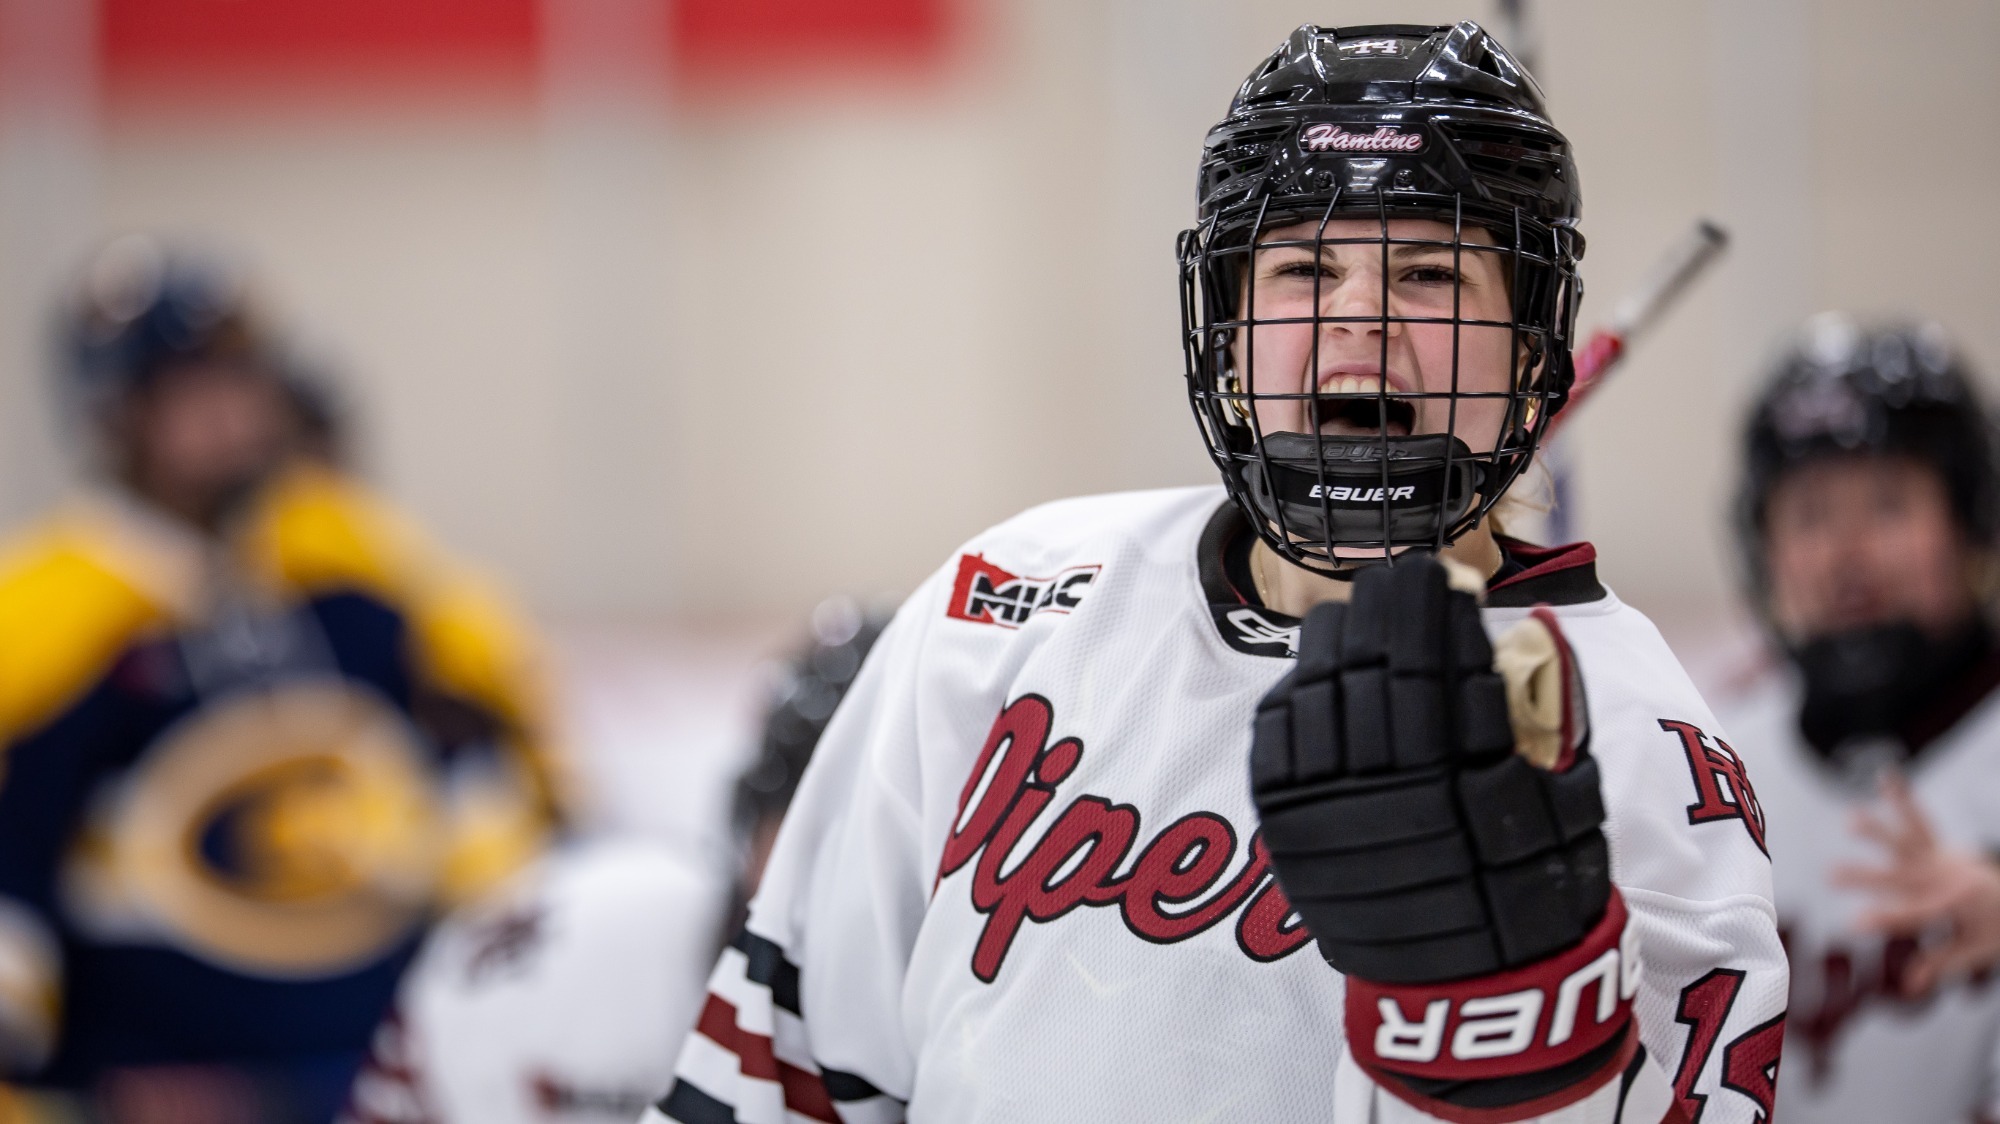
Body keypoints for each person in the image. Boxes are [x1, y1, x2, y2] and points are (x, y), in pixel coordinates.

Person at [649, 22, 1785, 1124]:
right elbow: (780, 1077)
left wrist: (1521, 1056)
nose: (1360, 319)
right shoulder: (1004, 605)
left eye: (1433, 272)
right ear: (1226, 325)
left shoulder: (1643, 750)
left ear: (1533, 349)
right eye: (1301, 267)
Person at [0, 238, 563, 1123]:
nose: (234, 418)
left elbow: (485, 773)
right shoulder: (45, 621)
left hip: (374, 1083)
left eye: (244, 383)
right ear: (115, 414)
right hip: (152, 1092)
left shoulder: (356, 580)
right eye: (195, 393)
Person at [337, 600, 885, 1124]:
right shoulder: (554, 964)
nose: (855, 873)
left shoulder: (952, 1026)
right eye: (819, 818)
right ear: (754, 819)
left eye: (889, 836)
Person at [1709, 313, 2000, 1122]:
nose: (1846, 555)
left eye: (1886, 503)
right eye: (1808, 515)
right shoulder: (1713, 761)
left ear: (1971, 521)